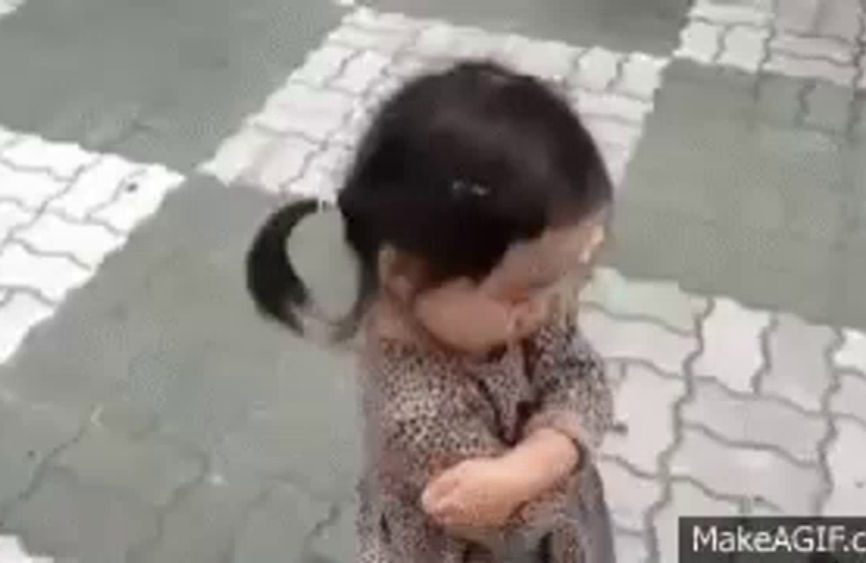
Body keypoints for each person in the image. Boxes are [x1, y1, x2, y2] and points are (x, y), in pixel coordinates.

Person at [246, 60, 616, 562]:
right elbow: (518, 523)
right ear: (404, 272)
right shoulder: (415, 411)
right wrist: (552, 453)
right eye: (527, 290)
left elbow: (581, 370)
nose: (548, 308)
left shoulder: (521, 311)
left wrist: (537, 459)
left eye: (563, 278)